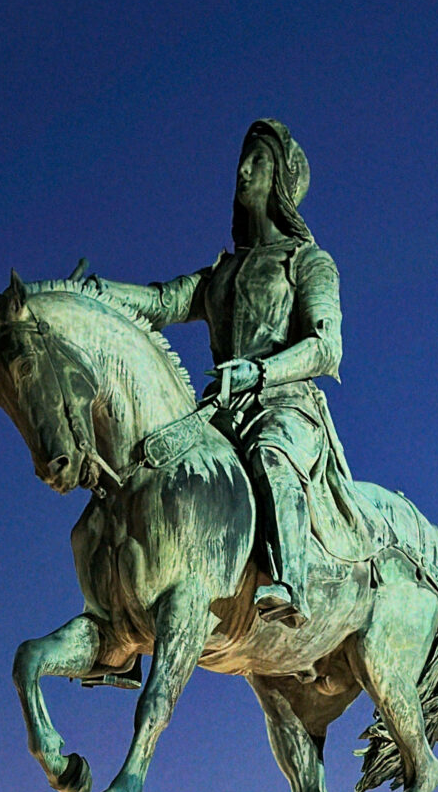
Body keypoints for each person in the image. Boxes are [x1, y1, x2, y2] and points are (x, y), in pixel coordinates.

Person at [51, 118, 366, 626]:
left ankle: (292, 582)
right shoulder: (222, 272)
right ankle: (122, 610)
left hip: (285, 407)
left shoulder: (308, 262)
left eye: (258, 161)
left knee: (272, 456)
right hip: (219, 410)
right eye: (243, 160)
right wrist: (97, 293)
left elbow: (326, 348)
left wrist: (260, 373)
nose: (243, 171)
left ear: (282, 181)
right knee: (143, 467)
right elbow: (161, 301)